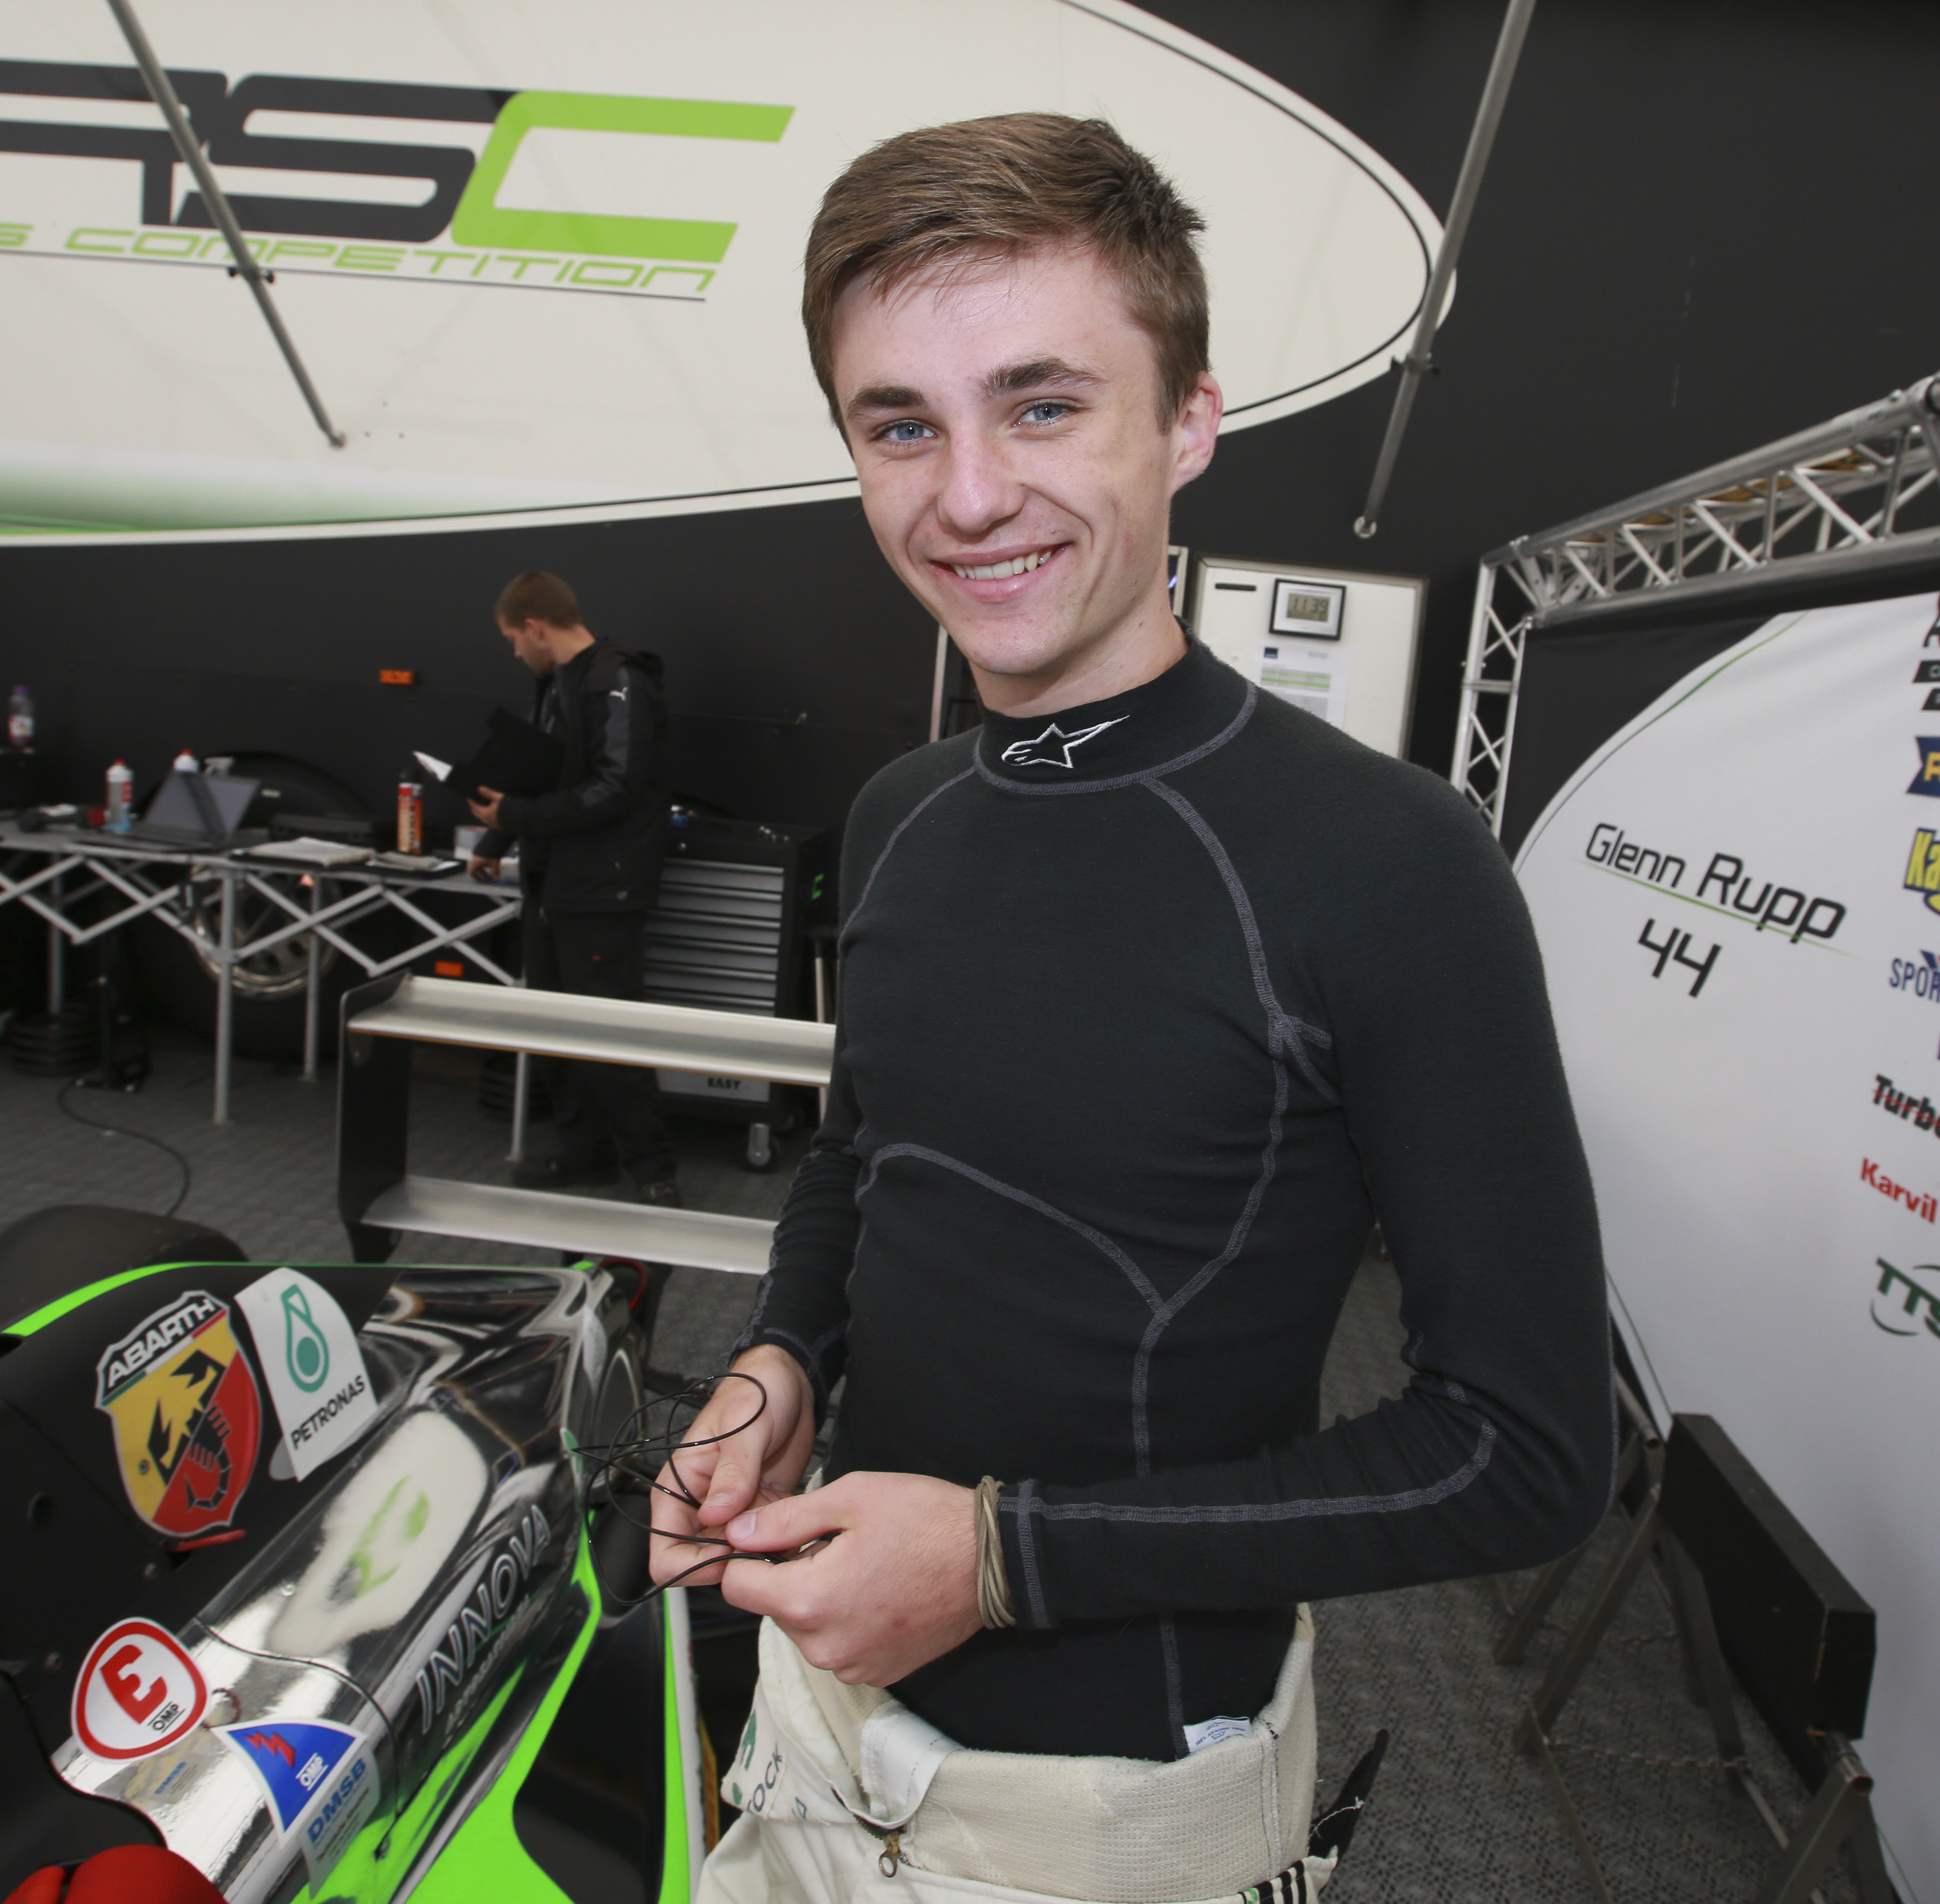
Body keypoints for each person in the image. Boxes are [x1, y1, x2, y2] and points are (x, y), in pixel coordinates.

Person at [650, 115, 1613, 1903]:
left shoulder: (1386, 861)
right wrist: (784, 1359)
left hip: (1113, 1820)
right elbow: (864, 1155)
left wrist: (1000, 1557)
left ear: (1186, 422)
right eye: (899, 426)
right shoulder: (900, 811)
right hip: (812, 1724)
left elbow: (1523, 1451)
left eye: (1040, 405)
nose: (966, 496)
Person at [464, 571, 680, 1207]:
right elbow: (541, 775)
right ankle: (585, 1153)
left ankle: (654, 1171)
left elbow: (616, 788)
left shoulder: (617, 680)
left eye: (513, 638)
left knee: (609, 1032)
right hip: (553, 883)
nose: (514, 652)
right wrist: (496, 838)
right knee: (558, 1028)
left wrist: (514, 817)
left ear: (535, 627)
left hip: (603, 888)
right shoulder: (558, 684)